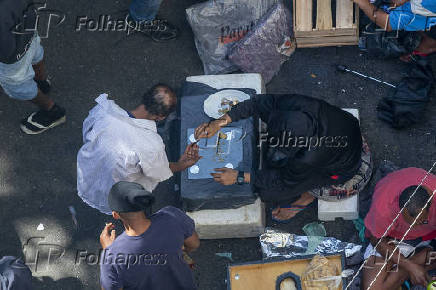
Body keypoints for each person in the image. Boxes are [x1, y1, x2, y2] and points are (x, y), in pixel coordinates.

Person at [195, 94, 371, 222]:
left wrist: (239, 177)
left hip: (342, 167)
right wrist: (219, 122)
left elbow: (282, 181)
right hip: (344, 126)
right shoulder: (295, 105)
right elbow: (257, 103)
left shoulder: (309, 157)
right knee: (270, 160)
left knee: (268, 192)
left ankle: (306, 199)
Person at [77, 84, 201, 214]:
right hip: (118, 191)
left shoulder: (104, 110)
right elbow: (159, 171)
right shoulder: (151, 145)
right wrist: (182, 164)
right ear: (161, 117)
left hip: (90, 171)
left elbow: (87, 132)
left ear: (145, 98)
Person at [99, 181, 199, 290]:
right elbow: (194, 244)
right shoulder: (172, 215)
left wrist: (108, 250)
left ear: (115, 215)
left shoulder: (112, 257)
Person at [362, 167, 436, 289]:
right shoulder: (383, 206)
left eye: (421, 222)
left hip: (428, 237)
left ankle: (420, 263)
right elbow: (376, 240)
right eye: (408, 222)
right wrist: (410, 266)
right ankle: (421, 261)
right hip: (393, 241)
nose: (412, 228)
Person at [0, 0, 66, 134]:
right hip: (26, 26)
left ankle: (52, 111)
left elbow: (6, 50)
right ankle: (41, 82)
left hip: (10, 58)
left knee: (19, 86)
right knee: (35, 52)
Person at [353, 0, 436, 59]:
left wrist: (362, 2)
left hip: (429, 19)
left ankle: (421, 49)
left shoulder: (422, 5)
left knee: (422, 43)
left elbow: (387, 23)